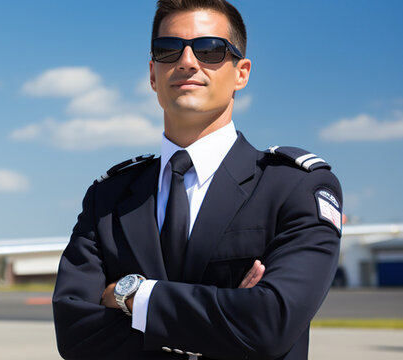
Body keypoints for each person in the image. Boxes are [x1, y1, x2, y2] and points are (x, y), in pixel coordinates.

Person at [52, 0, 343, 359]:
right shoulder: (107, 198)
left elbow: (270, 324)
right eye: (168, 50)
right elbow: (75, 335)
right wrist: (227, 317)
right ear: (152, 74)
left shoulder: (295, 187)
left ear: (242, 72)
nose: (187, 61)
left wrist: (131, 296)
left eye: (210, 50)